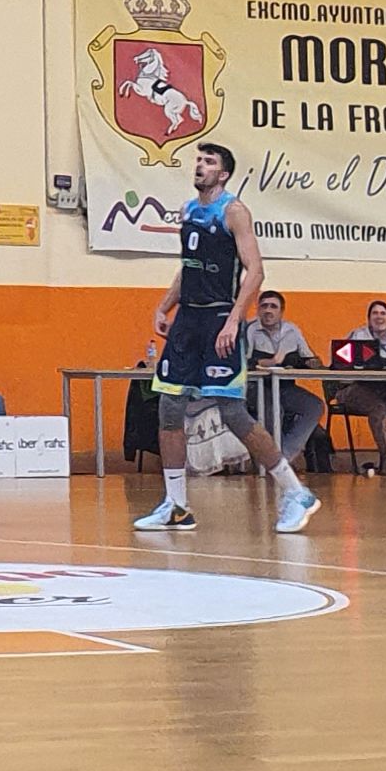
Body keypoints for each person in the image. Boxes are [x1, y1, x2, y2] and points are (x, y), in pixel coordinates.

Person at [134, 141, 314, 535]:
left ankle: (295, 491)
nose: (200, 166)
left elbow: (256, 272)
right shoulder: (189, 211)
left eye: (209, 161)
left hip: (219, 317)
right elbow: (189, 268)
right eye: (198, 160)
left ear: (224, 173)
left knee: (232, 412)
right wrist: (164, 306)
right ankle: (177, 505)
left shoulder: (234, 212)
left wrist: (235, 320)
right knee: (168, 408)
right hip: (187, 323)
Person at [326, 301, 386, 473]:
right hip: (354, 388)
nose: (379, 317)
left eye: (383, 313)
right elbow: (342, 362)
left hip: (384, 388)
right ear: (368, 319)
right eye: (375, 313)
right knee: (379, 410)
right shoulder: (358, 335)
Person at [239, 291, 325, 462]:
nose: (268, 311)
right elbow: (244, 362)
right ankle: (273, 458)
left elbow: (308, 357)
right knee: (273, 409)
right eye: (264, 306)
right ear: (258, 310)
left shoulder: (292, 331)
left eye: (273, 306)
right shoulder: (250, 329)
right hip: (256, 386)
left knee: (315, 406)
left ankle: (284, 456)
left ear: (281, 311)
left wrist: (312, 362)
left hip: (285, 386)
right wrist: (271, 361)